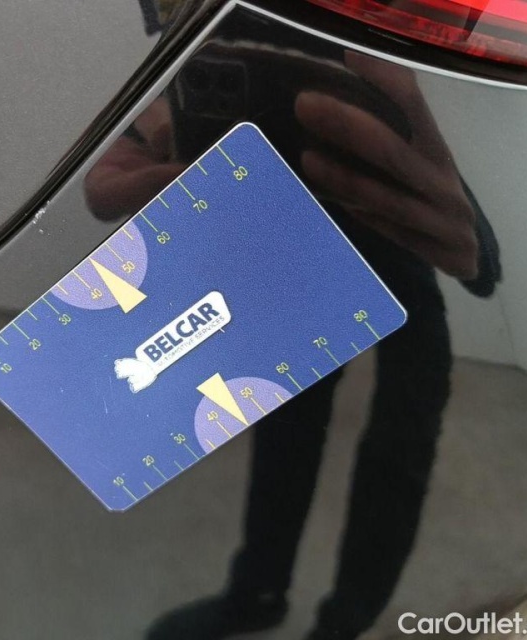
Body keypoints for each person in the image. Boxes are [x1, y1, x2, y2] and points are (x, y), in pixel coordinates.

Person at [86, 48, 501, 640]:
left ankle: (336, 621)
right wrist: (154, 117)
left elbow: (477, 261)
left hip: (376, 236)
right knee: (295, 426)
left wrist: (474, 239)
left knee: (399, 432)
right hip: (306, 240)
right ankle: (260, 595)